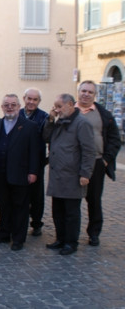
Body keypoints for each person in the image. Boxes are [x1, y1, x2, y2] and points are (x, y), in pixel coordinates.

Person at [0, 94, 40, 251]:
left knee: (20, 207)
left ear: (19, 107)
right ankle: (3, 234)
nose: (10, 107)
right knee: (4, 206)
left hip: (20, 174)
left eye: (13, 105)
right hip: (0, 174)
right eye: (6, 105)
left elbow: (34, 152)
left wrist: (33, 172)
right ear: (2, 107)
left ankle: (18, 238)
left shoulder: (29, 126)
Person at [44, 94, 96, 255]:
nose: (57, 110)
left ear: (71, 105)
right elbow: (46, 137)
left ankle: (71, 242)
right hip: (58, 174)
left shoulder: (82, 123)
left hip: (73, 175)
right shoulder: (60, 121)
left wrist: (85, 174)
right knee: (57, 211)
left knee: (71, 212)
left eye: (59, 106)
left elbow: (88, 151)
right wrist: (50, 120)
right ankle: (60, 239)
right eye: (55, 107)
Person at [75, 80, 121, 247]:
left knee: (94, 201)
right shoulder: (68, 111)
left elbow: (115, 139)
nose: (86, 94)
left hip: (96, 163)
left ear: (94, 95)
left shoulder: (104, 114)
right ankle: (70, 234)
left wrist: (106, 160)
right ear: (78, 92)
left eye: (90, 92)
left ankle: (94, 233)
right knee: (71, 200)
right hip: (73, 164)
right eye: (84, 91)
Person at [20, 88, 49, 237]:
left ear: (39, 101)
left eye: (35, 99)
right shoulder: (16, 114)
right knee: (20, 193)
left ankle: (36, 223)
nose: (31, 102)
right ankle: (20, 222)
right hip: (18, 162)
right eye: (29, 98)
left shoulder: (44, 117)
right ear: (24, 98)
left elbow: (50, 138)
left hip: (36, 162)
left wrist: (46, 160)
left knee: (36, 195)